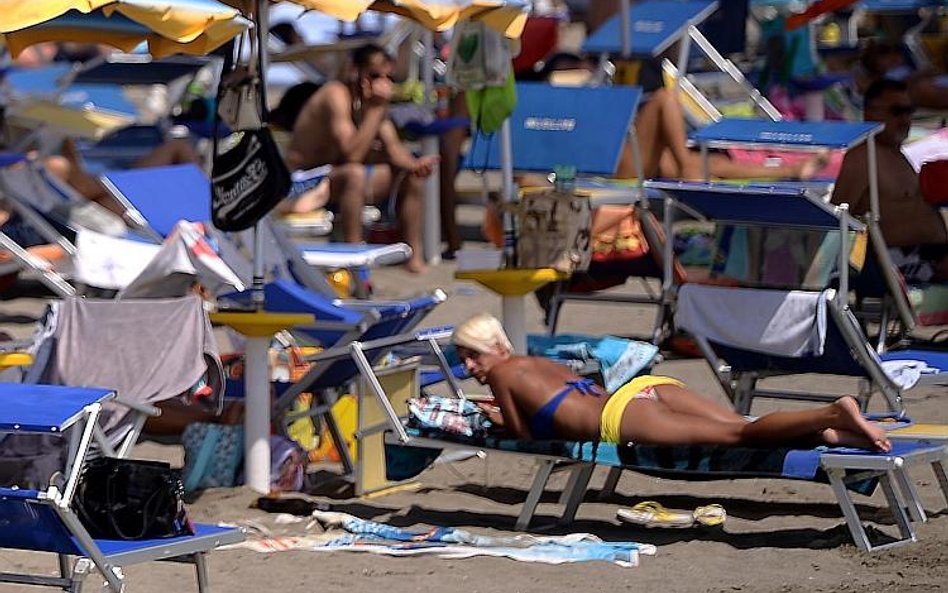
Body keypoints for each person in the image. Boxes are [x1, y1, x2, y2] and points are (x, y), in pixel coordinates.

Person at [451, 313, 891, 452]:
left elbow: (527, 438)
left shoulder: (503, 375)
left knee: (737, 435)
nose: (471, 365)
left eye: (474, 354)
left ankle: (834, 411)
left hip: (622, 416)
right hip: (646, 388)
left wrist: (494, 418)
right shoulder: (531, 361)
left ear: (496, 348)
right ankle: (832, 430)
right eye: (464, 358)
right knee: (739, 425)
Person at [285, 43, 437, 273]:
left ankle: (413, 255)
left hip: (331, 179)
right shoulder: (335, 94)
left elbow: (395, 150)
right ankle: (354, 262)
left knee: (409, 176)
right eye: (375, 75)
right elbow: (351, 154)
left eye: (389, 77)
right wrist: (376, 109)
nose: (382, 83)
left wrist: (416, 166)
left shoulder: (372, 103)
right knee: (354, 175)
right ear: (357, 72)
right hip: (300, 182)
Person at [831, 78, 947, 283]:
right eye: (897, 111)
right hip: (900, 261)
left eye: (909, 110)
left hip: (931, 255)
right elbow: (837, 217)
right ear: (870, 113)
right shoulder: (863, 157)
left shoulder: (895, 154)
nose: (905, 119)